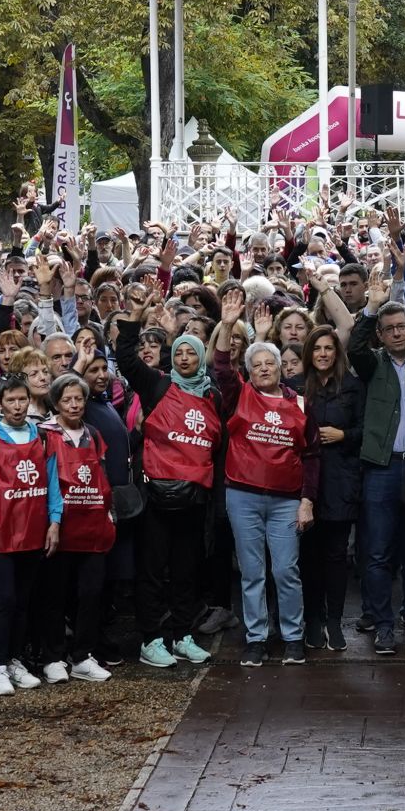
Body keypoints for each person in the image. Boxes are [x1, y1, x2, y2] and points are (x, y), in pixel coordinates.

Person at [212, 288, 319, 667]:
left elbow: (311, 454)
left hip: (286, 501)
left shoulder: (298, 402)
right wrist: (227, 325)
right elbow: (223, 367)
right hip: (243, 497)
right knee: (252, 573)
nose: (262, 369)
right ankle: (255, 638)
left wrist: (307, 500)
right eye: (255, 365)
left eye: (268, 364)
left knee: (286, 571)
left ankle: (293, 636)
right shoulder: (238, 396)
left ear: (279, 367)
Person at [113, 283, 217, 670]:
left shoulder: (212, 395)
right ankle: (152, 639)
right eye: (180, 352)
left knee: (187, 570)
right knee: (153, 571)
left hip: (194, 498)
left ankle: (182, 635)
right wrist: (135, 316)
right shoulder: (158, 385)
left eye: (193, 352)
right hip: (156, 495)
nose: (186, 357)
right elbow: (125, 357)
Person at [0, 374, 63, 696]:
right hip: (0, 534)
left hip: (34, 534)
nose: (18, 406)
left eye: (22, 399)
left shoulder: (44, 438)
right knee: (3, 600)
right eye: (11, 400)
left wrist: (54, 521)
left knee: (24, 601)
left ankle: (15, 660)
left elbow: (52, 486)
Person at [349, 278, 405, 656]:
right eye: (389, 328)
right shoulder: (372, 364)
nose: (397, 333)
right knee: (377, 552)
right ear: (380, 334)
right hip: (381, 468)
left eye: (402, 326)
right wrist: (370, 308)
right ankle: (383, 624)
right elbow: (354, 345)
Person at [40, 372, 116, 683]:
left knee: (91, 592)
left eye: (79, 399)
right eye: (67, 399)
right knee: (55, 594)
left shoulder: (94, 434)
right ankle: (53, 656)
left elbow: (103, 476)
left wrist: (110, 515)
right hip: (59, 527)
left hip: (92, 526)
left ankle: (84, 655)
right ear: (56, 402)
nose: (74, 405)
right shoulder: (44, 434)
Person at [301, 326, 362, 652]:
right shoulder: (297, 387)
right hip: (307, 483)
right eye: (317, 348)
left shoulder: (352, 387)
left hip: (341, 480)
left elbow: (367, 429)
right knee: (309, 557)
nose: (323, 354)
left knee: (336, 556)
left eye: (329, 348)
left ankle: (335, 621)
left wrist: (344, 435)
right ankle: (313, 619)